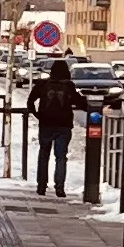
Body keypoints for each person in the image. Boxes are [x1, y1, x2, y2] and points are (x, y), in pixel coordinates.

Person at [28, 52, 80, 196]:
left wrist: (37, 115)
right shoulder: (69, 86)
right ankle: (59, 187)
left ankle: (41, 186)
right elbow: (79, 102)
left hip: (46, 124)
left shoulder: (43, 84)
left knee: (44, 155)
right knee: (61, 157)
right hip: (64, 126)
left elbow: (30, 100)